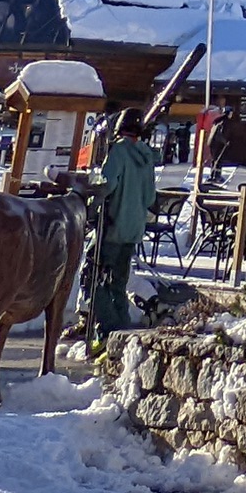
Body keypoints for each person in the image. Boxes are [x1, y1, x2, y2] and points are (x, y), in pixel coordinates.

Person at [92, 116, 158, 333]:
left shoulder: (118, 151)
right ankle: (122, 327)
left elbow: (106, 185)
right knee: (119, 282)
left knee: (92, 277)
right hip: (134, 228)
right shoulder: (146, 155)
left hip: (113, 226)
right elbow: (150, 197)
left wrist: (91, 208)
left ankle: (107, 327)